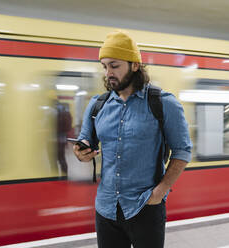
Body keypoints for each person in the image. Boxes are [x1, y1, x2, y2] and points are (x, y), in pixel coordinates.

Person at [73, 31, 192, 248]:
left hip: (145, 207)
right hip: (106, 209)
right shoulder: (97, 105)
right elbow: (85, 143)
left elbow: (183, 151)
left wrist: (160, 191)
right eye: (105, 66)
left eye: (115, 66)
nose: (108, 73)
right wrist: (81, 152)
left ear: (135, 65)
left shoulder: (163, 103)